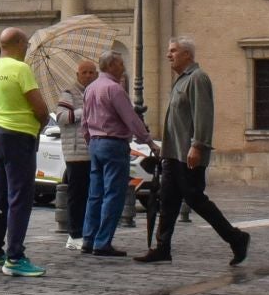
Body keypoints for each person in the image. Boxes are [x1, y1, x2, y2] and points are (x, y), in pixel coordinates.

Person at [135, 36, 248, 266]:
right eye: (168, 50)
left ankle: (236, 238)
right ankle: (162, 247)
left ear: (188, 54)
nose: (169, 55)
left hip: (188, 154)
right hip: (172, 154)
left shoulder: (197, 78)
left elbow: (203, 115)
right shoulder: (180, 80)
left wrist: (198, 145)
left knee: (196, 199)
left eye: (173, 51)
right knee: (167, 201)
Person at [0, 27, 51, 277]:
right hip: (18, 136)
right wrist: (39, 127)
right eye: (26, 44)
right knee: (20, 197)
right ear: (20, 43)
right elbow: (41, 109)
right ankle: (15, 256)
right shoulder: (21, 69)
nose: (28, 49)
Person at [81, 49, 152, 257]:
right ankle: (102, 242)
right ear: (111, 66)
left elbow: (85, 122)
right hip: (113, 144)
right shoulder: (115, 89)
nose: (123, 68)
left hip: (95, 143)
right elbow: (131, 119)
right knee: (113, 194)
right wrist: (148, 140)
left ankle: (88, 238)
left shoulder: (90, 88)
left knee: (95, 194)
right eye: (120, 64)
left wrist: (90, 140)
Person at [56, 59, 95, 250]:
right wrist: (84, 110)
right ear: (77, 74)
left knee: (89, 193)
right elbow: (62, 117)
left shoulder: (93, 92)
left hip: (90, 150)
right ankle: (74, 233)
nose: (88, 75)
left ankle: (86, 231)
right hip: (75, 151)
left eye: (91, 72)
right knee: (76, 194)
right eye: (85, 72)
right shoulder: (69, 92)